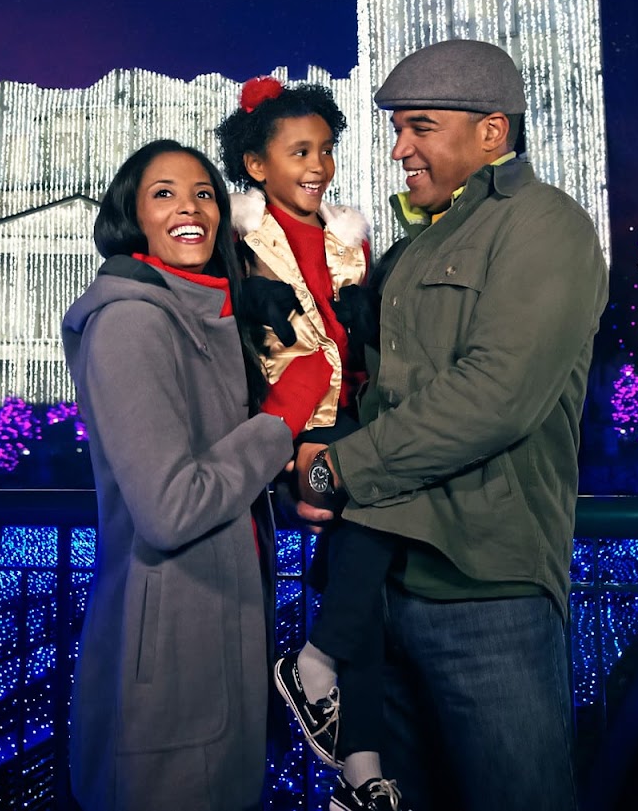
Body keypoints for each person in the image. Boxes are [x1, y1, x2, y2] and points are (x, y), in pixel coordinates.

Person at [287, 39, 609, 811]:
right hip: (381, 598)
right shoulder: (408, 250)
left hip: (487, 593)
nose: (400, 149)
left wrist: (337, 469)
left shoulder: (547, 226)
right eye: (398, 129)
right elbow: (371, 395)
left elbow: (496, 395)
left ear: (492, 131)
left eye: (421, 127)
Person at [61, 140, 303, 811]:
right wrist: (281, 420)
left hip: (216, 625)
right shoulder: (131, 323)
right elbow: (170, 507)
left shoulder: (202, 315)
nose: (189, 207)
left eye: (203, 193)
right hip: (172, 640)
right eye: (163, 193)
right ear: (132, 216)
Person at [214, 76, 405, 811]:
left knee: (364, 582)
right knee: (386, 508)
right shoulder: (234, 237)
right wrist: (242, 293)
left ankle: (361, 770)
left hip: (356, 412)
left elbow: (360, 346)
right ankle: (313, 662)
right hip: (297, 419)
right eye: (300, 151)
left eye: (326, 149)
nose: (319, 165)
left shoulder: (348, 237)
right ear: (256, 164)